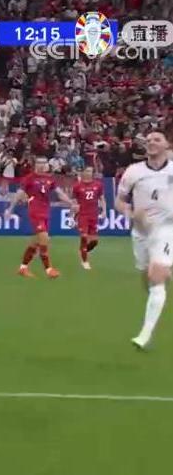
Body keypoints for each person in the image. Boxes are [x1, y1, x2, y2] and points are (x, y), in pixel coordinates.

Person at [114, 131, 173, 350]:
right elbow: (119, 201)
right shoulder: (134, 171)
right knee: (147, 276)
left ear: (167, 145)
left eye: (157, 139)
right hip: (141, 232)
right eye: (148, 140)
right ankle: (161, 280)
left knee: (157, 276)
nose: (151, 142)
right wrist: (130, 213)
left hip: (166, 228)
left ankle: (144, 335)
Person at [4, 156, 76, 278]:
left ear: (47, 165)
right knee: (44, 239)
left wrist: (70, 202)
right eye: (39, 163)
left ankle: (23, 268)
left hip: (45, 212)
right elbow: (19, 194)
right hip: (35, 211)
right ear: (35, 165)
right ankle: (49, 269)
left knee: (35, 242)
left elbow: (59, 193)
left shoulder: (50, 179)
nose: (42, 165)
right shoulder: (29, 178)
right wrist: (10, 209)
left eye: (44, 163)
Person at [71, 166, 106, 270]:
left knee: (94, 241)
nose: (88, 173)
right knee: (84, 237)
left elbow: (102, 199)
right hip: (82, 215)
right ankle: (85, 261)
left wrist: (104, 211)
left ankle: (83, 250)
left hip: (93, 215)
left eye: (90, 171)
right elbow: (74, 202)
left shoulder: (98, 185)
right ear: (83, 172)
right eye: (86, 171)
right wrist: (72, 215)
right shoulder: (77, 186)